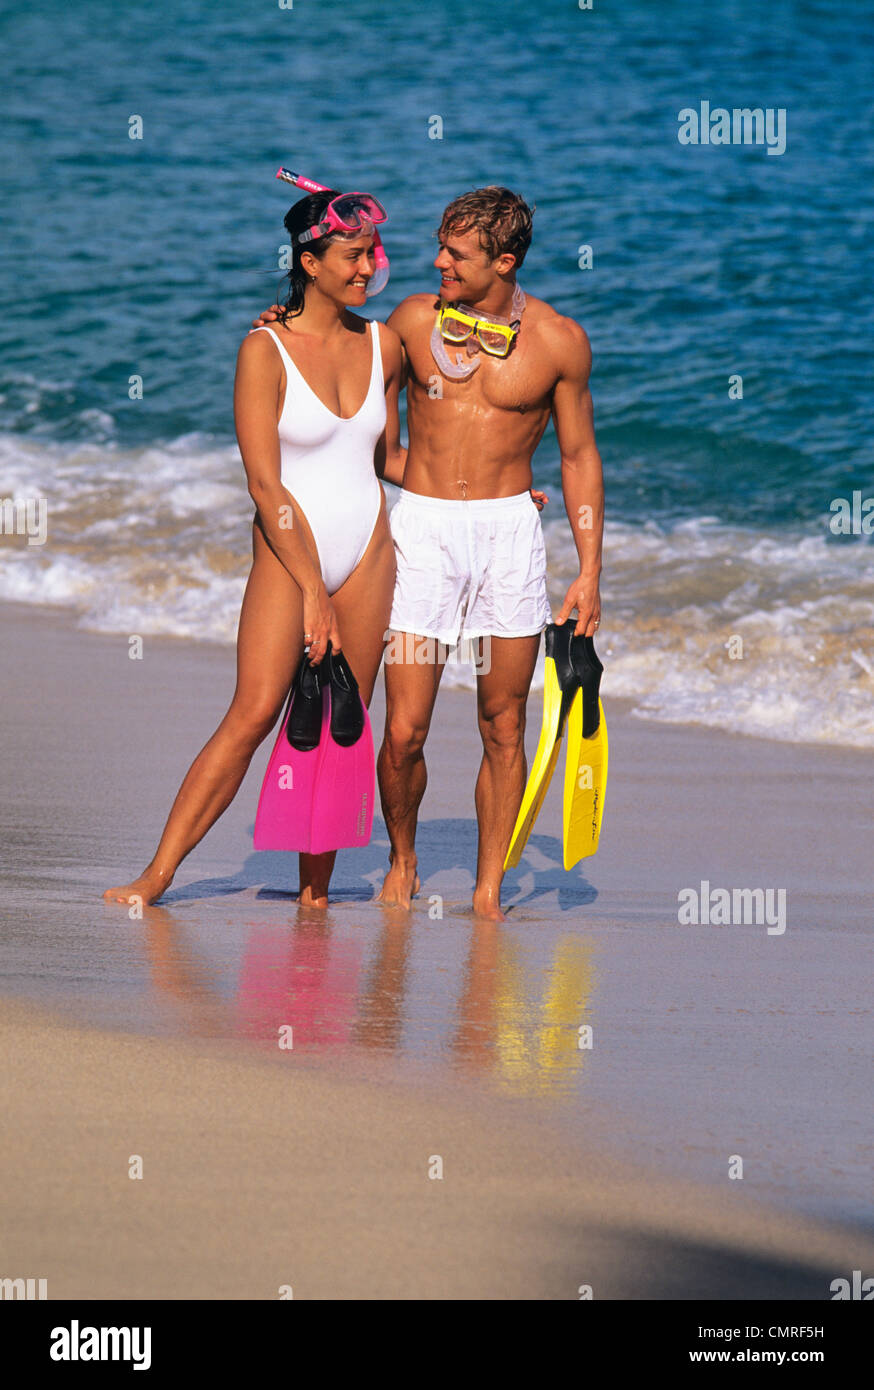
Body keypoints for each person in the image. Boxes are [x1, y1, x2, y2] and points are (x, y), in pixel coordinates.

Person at [255, 186, 605, 922]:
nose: (436, 260)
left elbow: (578, 456)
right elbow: (356, 408)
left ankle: (486, 889)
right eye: (440, 246)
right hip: (423, 533)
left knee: (503, 723)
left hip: (510, 538)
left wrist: (590, 569)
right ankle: (403, 858)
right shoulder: (411, 324)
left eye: (458, 253)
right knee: (404, 730)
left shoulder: (559, 342)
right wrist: (279, 324)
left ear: (505, 261)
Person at [104, 186, 406, 909]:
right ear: (310, 259)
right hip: (287, 556)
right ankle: (158, 875)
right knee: (255, 711)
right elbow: (265, 486)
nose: (369, 267)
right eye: (354, 255)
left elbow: (389, 460)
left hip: (368, 552)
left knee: (344, 729)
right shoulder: (262, 350)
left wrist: (488, 490)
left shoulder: (384, 344)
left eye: (372, 254)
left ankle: (315, 894)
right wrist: (310, 591)